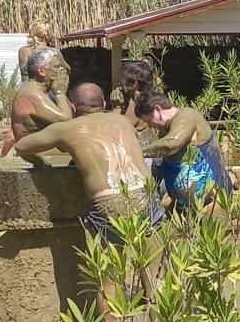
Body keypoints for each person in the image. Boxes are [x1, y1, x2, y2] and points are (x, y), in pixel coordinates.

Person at [14, 82, 156, 241]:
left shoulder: (65, 128)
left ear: (73, 107)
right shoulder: (123, 121)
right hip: (147, 193)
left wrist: (40, 161)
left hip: (110, 202)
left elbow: (21, 146)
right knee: (153, 254)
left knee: (112, 260)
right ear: (104, 103)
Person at [135, 90, 233, 212]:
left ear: (158, 110)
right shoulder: (164, 131)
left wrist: (135, 151)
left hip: (212, 205)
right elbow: (159, 163)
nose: (150, 126)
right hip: (183, 209)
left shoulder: (187, 116)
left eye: (148, 120)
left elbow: (171, 145)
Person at [0, 46, 72, 154]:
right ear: (42, 71)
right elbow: (65, 120)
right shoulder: (32, 93)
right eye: (57, 67)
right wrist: (60, 92)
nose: (61, 71)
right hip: (39, 155)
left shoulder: (35, 90)